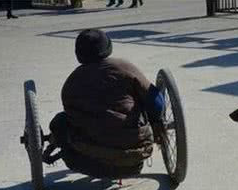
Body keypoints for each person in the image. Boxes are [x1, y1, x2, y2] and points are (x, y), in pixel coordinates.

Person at [43, 29, 165, 179]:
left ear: (78, 54)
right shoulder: (124, 67)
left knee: (60, 121)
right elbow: (157, 102)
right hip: (135, 158)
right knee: (141, 100)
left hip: (86, 162)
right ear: (108, 47)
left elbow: (71, 119)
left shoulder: (71, 83)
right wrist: (156, 124)